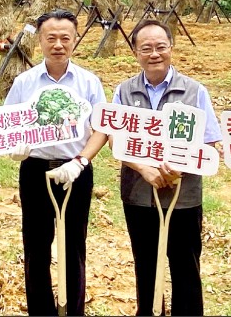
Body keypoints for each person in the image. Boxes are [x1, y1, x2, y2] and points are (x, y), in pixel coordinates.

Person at [65, 18, 222, 316]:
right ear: (135, 52)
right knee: (146, 263)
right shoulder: (124, 92)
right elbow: (115, 139)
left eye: (161, 47)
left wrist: (178, 168)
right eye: (146, 48)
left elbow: (210, 142)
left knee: (185, 265)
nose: (154, 54)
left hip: (183, 195)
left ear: (171, 49)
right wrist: (145, 169)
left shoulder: (195, 90)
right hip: (138, 194)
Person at [4, 8, 106, 316]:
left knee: (74, 245)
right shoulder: (25, 82)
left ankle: (72, 310)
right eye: (51, 38)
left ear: (75, 40)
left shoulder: (89, 82)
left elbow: (102, 129)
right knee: (36, 246)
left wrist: (80, 161)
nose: (58, 44)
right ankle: (41, 311)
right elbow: (8, 123)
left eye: (65, 38)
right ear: (40, 40)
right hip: (35, 170)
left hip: (76, 170)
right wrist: (15, 148)